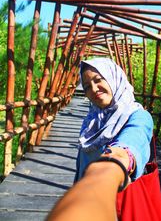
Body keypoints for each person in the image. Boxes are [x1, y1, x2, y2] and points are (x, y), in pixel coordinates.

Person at [47, 57, 154, 221]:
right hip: (86, 199)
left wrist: (115, 160)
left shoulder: (138, 116)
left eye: (98, 80)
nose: (94, 89)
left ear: (114, 78)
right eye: (87, 86)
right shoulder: (92, 121)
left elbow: (133, 139)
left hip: (119, 205)